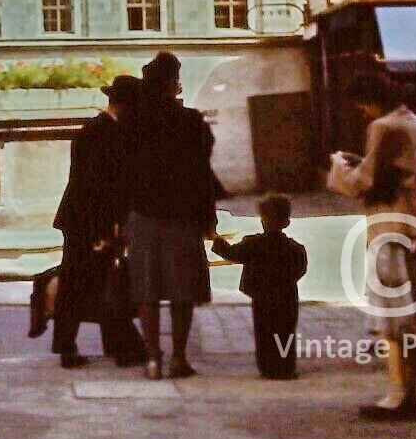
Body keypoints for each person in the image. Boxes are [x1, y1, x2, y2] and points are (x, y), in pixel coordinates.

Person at [327, 72, 416, 420]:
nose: (361, 113)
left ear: (369, 101)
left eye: (361, 106)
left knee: (393, 319)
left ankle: (395, 394)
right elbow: (407, 173)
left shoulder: (383, 127)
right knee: (414, 317)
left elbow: (367, 180)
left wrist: (340, 168)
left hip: (392, 226)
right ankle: (409, 391)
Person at [123, 51, 219, 380]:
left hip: (141, 214)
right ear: (174, 86)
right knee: (182, 291)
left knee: (146, 291)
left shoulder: (131, 122)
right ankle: (178, 357)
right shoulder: (192, 122)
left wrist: (118, 219)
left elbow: (117, 174)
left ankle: (152, 358)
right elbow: (202, 174)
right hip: (182, 215)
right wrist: (209, 219)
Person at [49, 75, 147, 368]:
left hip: (81, 218)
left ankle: (113, 345)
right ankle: (107, 347)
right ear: (126, 105)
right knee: (82, 284)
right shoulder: (108, 134)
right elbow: (99, 186)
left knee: (92, 282)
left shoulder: (92, 129)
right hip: (90, 222)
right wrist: (105, 230)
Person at [212, 194, 308, 380]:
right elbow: (300, 269)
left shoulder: (253, 243)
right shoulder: (295, 248)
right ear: (286, 222)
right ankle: (286, 367)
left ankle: (267, 367)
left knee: (264, 332)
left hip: (261, 297)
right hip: (287, 297)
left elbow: (231, 253)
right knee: (286, 332)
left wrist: (215, 238)